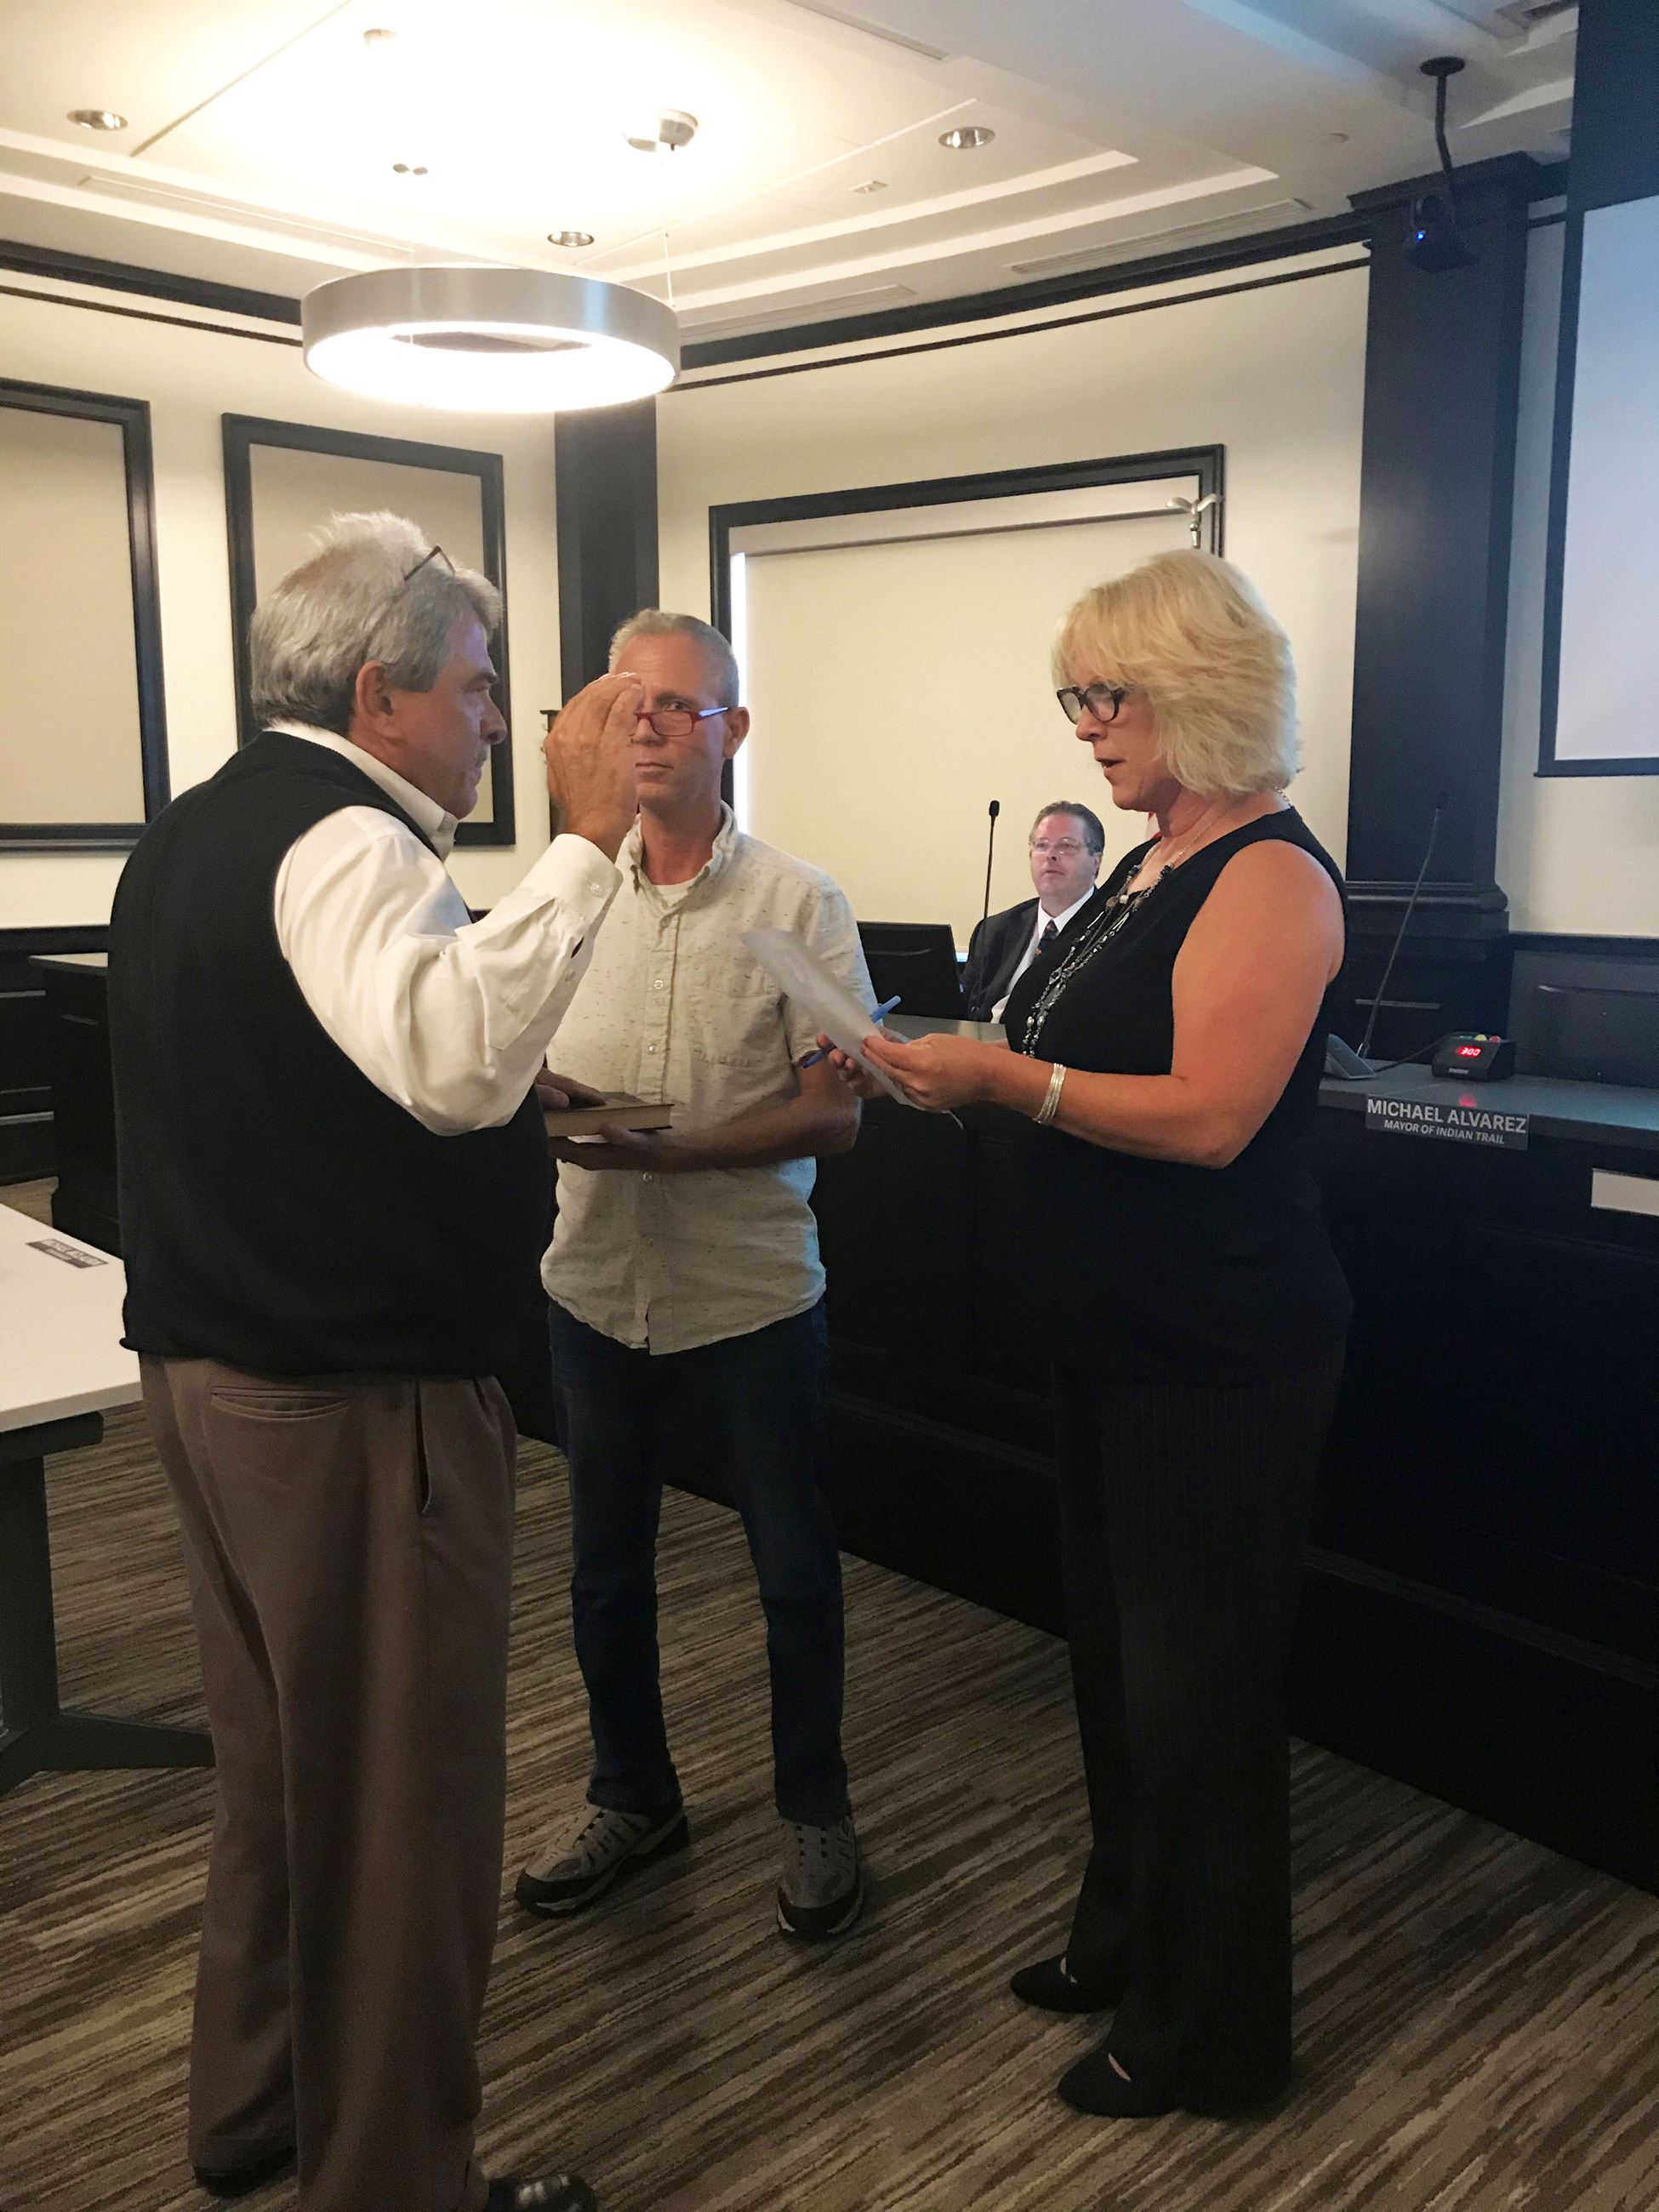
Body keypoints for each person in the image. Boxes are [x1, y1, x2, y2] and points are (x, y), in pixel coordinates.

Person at [107, 511, 643, 2212]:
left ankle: (256, 2113)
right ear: (378, 691)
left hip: (214, 1376)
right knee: (405, 1816)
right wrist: (586, 842)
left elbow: (290, 1072)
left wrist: (504, 1092)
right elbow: (450, 1064)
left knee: (284, 1778)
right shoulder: (351, 838)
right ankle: (395, 2183)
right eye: (477, 687)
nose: (495, 720)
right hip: (346, 1402)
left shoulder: (195, 829)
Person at [835, 550, 1350, 2120]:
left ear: (1196, 690)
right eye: (1074, 698)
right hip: (1113, 1335)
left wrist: (1004, 1082)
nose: (1082, 729)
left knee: (1199, 1700)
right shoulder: (1146, 863)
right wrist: (935, 1065)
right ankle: (1129, 1936)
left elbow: (1207, 1119)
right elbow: (1058, 1056)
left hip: (1214, 1351)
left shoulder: (1269, 874)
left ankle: (1212, 2037)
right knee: (1124, 1676)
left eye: (1103, 696)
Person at [513, 610, 872, 1944]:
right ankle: (632, 1796)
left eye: (676, 704)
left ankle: (815, 1811)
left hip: (749, 1296)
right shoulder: (565, 891)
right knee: (605, 1572)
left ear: (733, 729)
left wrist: (680, 1154)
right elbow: (502, 1054)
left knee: (791, 1573)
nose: (647, 725)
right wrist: (539, 1094)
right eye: (625, 703)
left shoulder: (797, 902)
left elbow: (836, 1115)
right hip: (593, 1288)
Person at [961, 801, 1106, 1021]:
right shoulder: (994, 931)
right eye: (1042, 845)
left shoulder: (1114, 929)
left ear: (1096, 861)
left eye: (1066, 846)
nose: (1051, 855)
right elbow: (964, 1015)